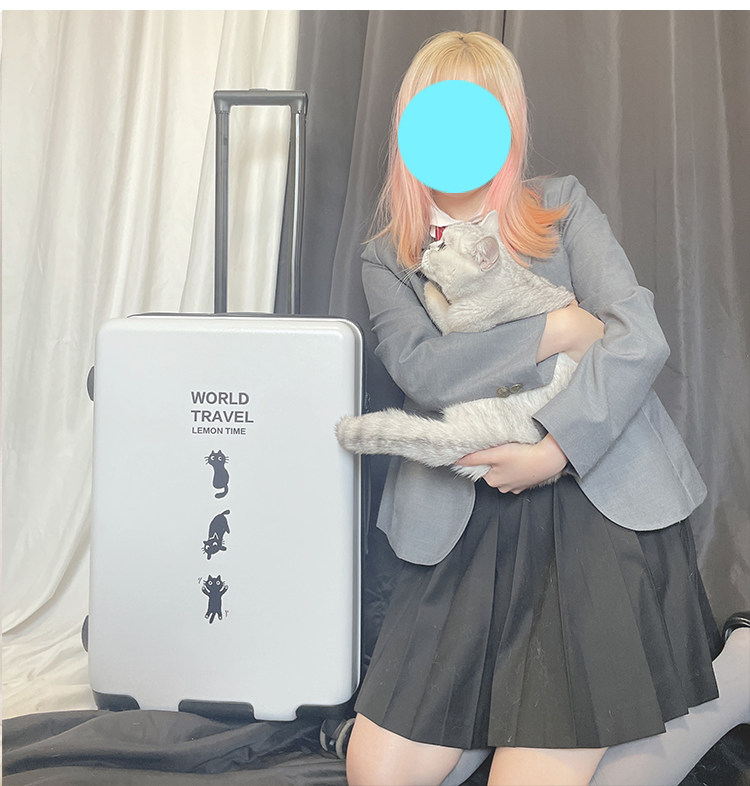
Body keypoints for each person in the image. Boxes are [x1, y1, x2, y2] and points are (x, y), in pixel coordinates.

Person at [344, 30, 741, 786]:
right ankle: (498, 723)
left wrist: (553, 451)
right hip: (462, 524)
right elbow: (426, 372)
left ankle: (739, 679)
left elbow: (637, 336)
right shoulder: (387, 256)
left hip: (592, 506)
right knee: (377, 774)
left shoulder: (561, 206)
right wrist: (557, 328)